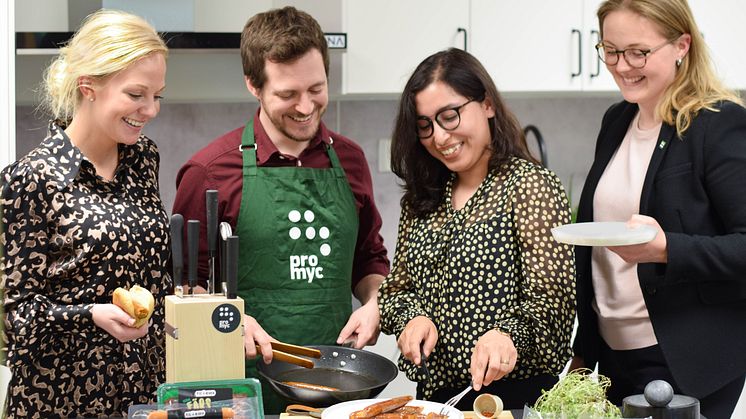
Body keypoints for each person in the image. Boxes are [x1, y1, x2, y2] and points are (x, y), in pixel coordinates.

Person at [171, 6, 389, 414]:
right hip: (240, 390)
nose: (306, 106)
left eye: (316, 88)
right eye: (288, 94)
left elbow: (368, 257)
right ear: (253, 85)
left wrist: (376, 301)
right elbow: (184, 283)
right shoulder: (209, 170)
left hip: (336, 388)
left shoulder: (351, 160)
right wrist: (227, 315)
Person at [570, 1, 746, 417]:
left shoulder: (717, 123)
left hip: (686, 360)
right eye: (610, 50)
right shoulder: (616, 121)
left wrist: (668, 249)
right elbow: (599, 261)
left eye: (638, 52)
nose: (621, 65)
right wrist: (585, 353)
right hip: (614, 358)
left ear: (681, 44)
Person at [378, 48, 576, 411]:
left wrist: (508, 336)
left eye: (449, 116)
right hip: (436, 400)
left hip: (517, 400)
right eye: (425, 125)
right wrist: (412, 318)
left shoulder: (529, 185)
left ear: (486, 105)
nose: (439, 137)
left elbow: (554, 300)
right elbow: (394, 292)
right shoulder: (424, 198)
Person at [0, 9, 170, 418]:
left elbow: (148, 273)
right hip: (61, 400)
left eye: (157, 95)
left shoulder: (143, 159)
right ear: (88, 87)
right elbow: (15, 322)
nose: (150, 109)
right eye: (136, 94)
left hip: (144, 395)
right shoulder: (30, 179)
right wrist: (89, 314)